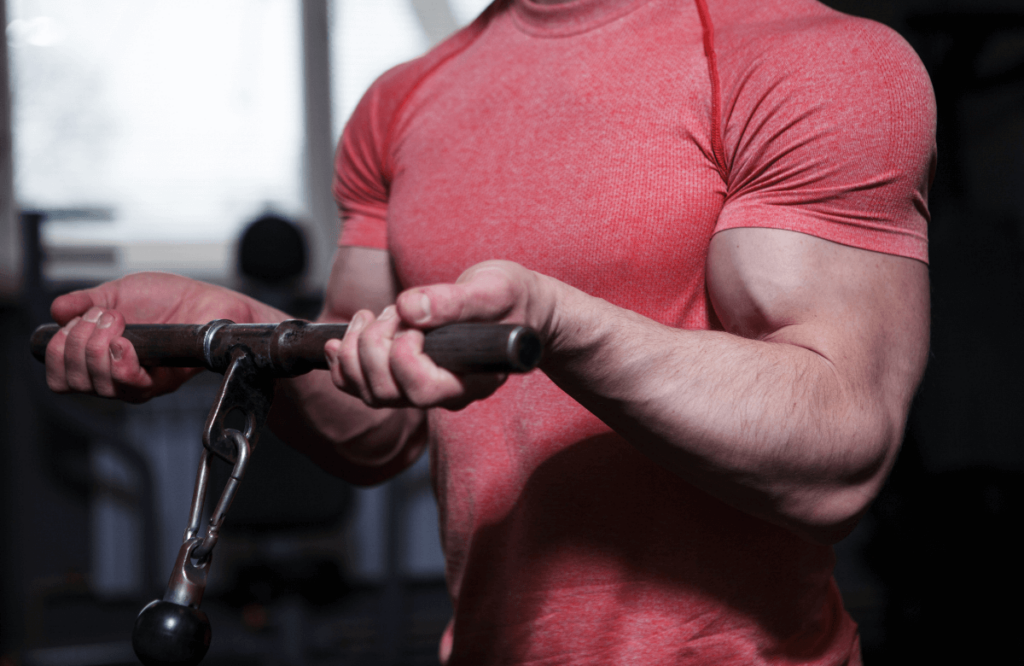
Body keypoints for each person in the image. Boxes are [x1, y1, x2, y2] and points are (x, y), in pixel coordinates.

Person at [43, 0, 935, 662]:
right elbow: (378, 427)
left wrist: (560, 324)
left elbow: (838, 452)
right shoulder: (403, 102)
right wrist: (237, 326)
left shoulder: (807, 60)